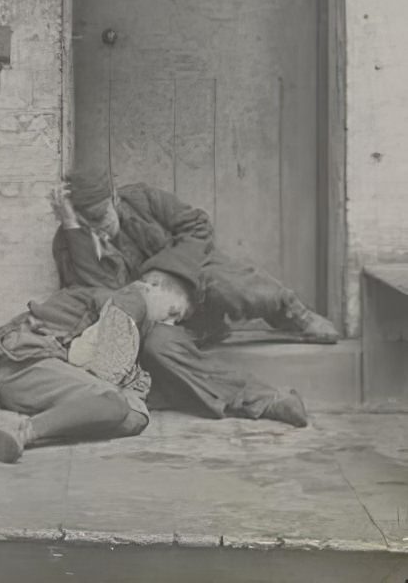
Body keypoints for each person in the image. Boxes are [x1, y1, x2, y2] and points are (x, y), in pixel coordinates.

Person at [49, 167, 324, 425]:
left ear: (114, 197)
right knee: (156, 346)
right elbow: (97, 296)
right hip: (157, 328)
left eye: (100, 217)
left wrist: (168, 278)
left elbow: (198, 228)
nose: (97, 229)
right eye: (86, 224)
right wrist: (75, 230)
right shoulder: (70, 245)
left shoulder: (143, 200)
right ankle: (265, 401)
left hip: (197, 297)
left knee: (217, 277)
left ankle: (293, 312)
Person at [0, 282, 160, 464]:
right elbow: (103, 368)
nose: (171, 321)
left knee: (133, 419)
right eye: (174, 310)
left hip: (25, 379)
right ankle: (22, 430)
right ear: (153, 285)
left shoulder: (115, 307)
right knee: (115, 403)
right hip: (26, 364)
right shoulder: (130, 299)